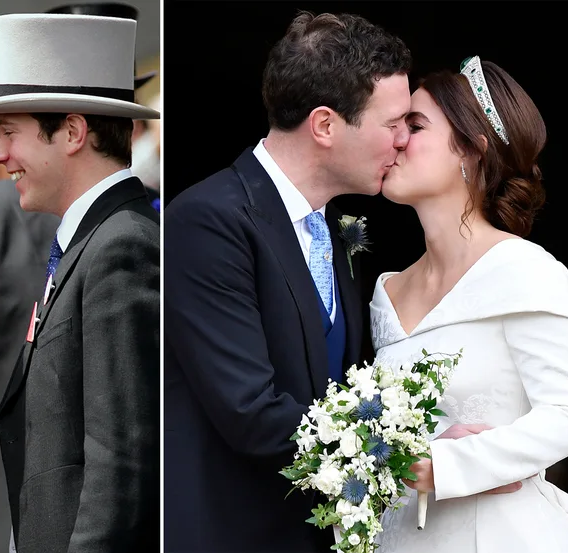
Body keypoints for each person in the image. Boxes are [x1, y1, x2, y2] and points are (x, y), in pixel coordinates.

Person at [163, 11, 412, 553]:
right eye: (393, 123)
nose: (403, 141)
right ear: (325, 125)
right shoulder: (207, 221)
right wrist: (407, 454)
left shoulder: (333, 226)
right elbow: (250, 412)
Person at [0, 4, 161, 552]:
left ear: (73, 132)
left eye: (10, 133)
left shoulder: (121, 246)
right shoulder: (96, 237)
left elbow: (120, 463)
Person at [371, 55, 568, 553]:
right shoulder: (387, 291)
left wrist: (450, 466)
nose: (396, 139)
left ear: (472, 150)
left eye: (415, 125)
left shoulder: (525, 269)